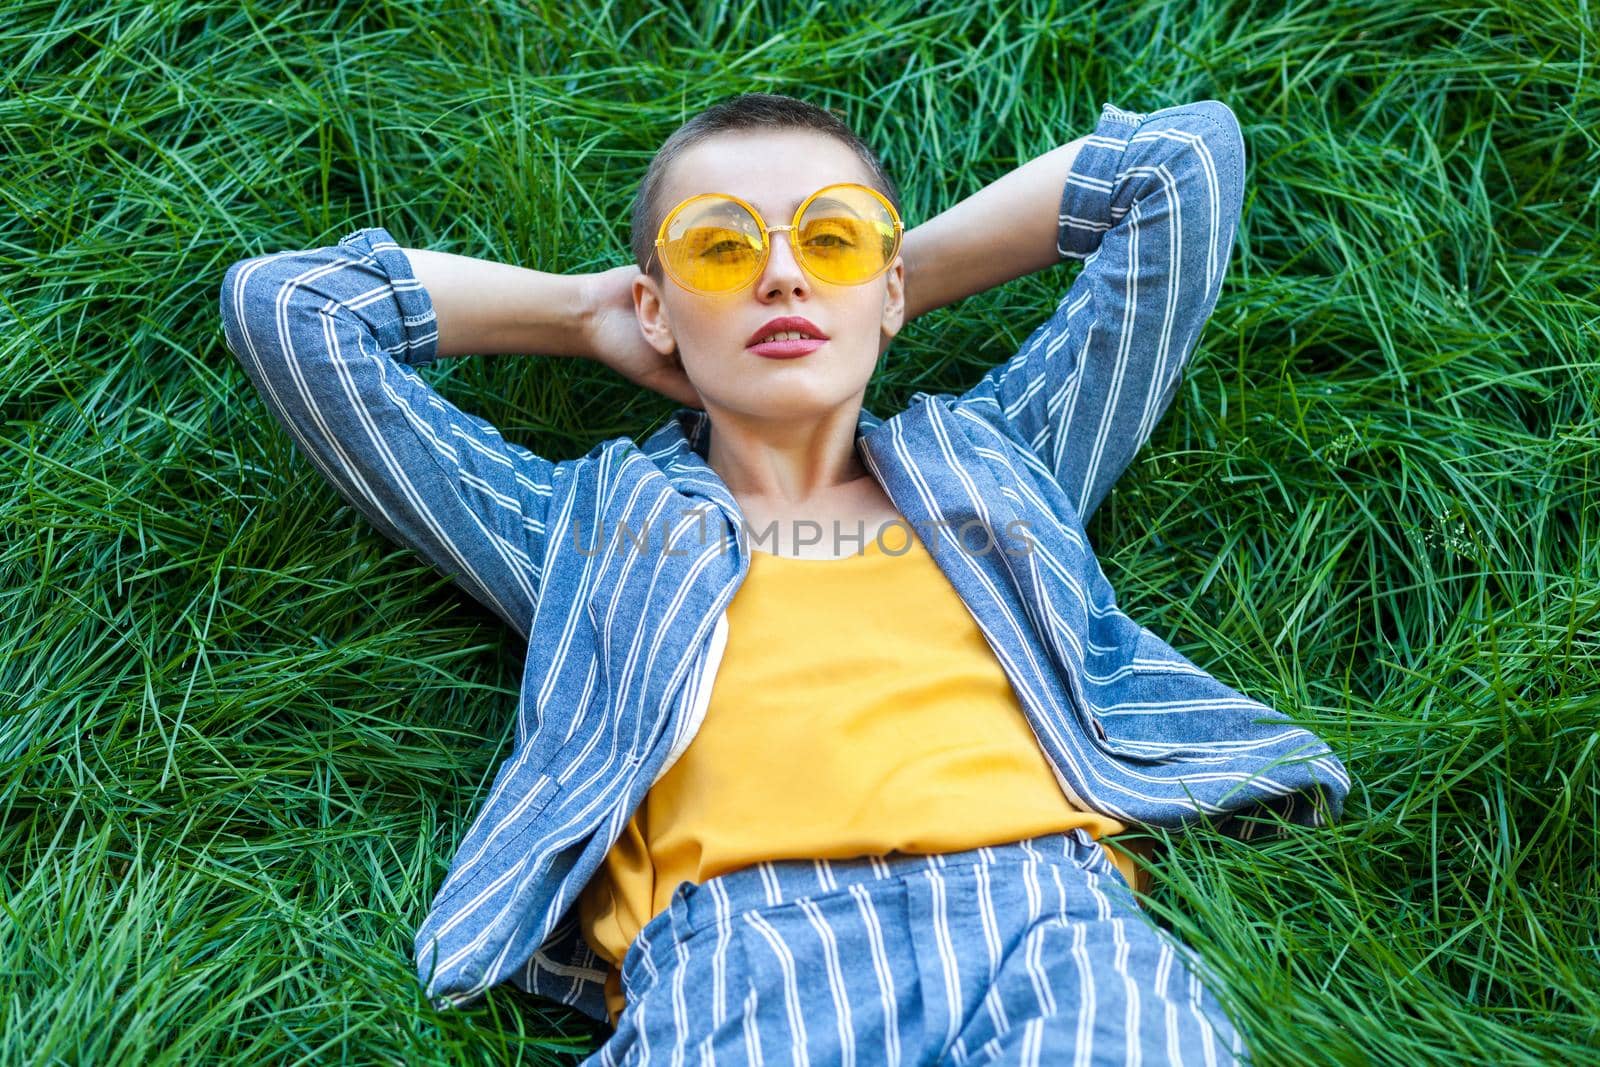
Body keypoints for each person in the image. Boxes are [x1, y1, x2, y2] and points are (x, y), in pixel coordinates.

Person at [219, 91, 1349, 1064]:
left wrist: (878, 290)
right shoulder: (586, 529)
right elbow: (294, 310)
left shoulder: (999, 464)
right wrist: (584, 312)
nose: (777, 276)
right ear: (656, 305)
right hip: (738, 957)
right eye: (719, 248)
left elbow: (1180, 163)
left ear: (892, 281)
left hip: (1047, 919)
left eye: (832, 239)